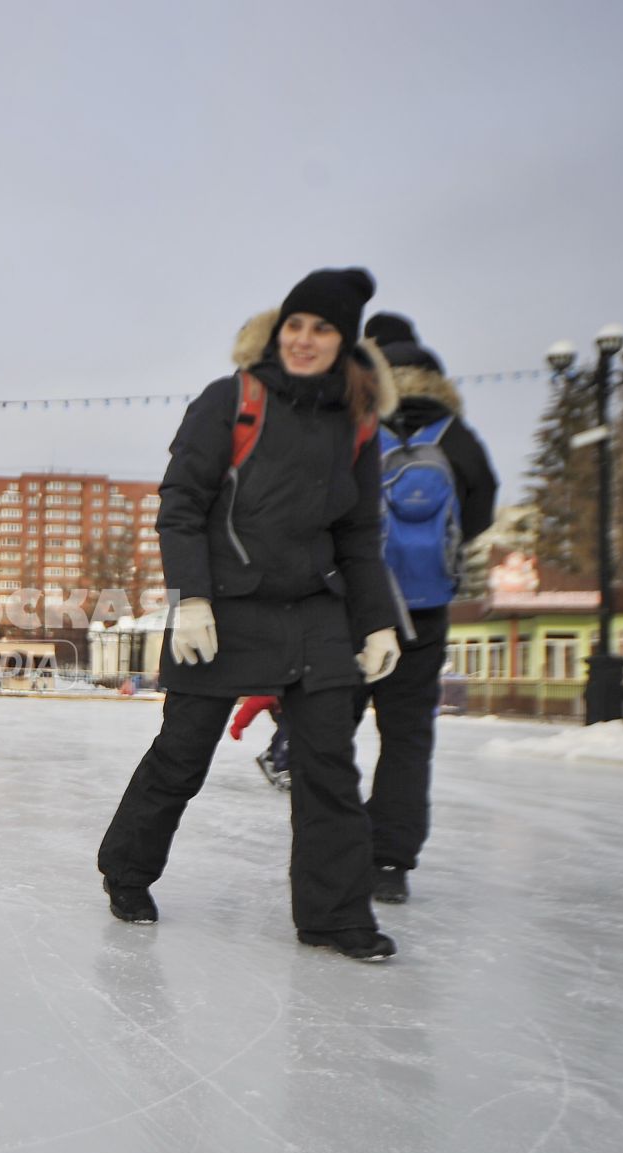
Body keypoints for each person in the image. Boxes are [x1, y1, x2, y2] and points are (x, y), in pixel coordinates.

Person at [95, 267, 404, 962]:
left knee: (329, 765)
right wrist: (191, 599)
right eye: (295, 324)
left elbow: (359, 535)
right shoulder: (231, 400)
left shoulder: (357, 426)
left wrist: (376, 620)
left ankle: (337, 915)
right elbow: (180, 505)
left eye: (321, 328)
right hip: (227, 609)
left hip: (315, 613)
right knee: (182, 756)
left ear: (345, 342)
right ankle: (127, 868)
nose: (303, 338)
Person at [353, 314, 499, 905]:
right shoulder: (454, 433)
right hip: (428, 607)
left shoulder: (360, 420)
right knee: (408, 736)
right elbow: (482, 506)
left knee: (331, 731)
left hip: (359, 603)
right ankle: (391, 863)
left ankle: (331, 848)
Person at [229, 695, 289, 790]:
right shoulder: (270, 693)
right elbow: (251, 707)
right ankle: (280, 767)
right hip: (284, 712)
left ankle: (272, 755)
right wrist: (237, 726)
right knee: (288, 734)